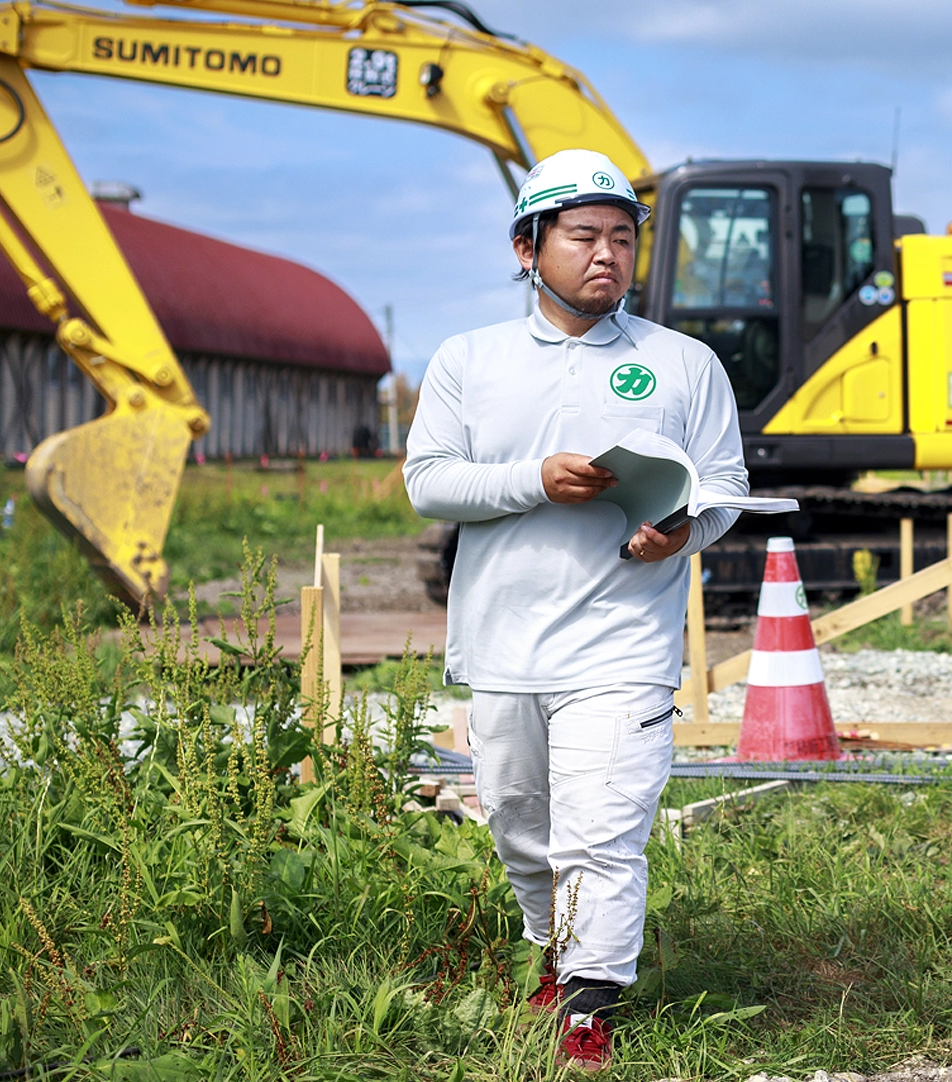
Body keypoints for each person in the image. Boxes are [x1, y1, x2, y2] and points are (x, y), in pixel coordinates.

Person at [402, 148, 749, 1070]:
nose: (608, 255)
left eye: (623, 238)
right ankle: (548, 951)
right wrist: (536, 480)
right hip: (504, 644)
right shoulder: (468, 361)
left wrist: (683, 530)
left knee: (603, 827)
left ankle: (590, 1006)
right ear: (528, 247)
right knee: (521, 826)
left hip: (624, 640)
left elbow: (723, 489)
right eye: (584, 235)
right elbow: (429, 483)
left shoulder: (683, 364)